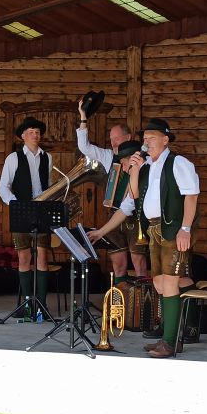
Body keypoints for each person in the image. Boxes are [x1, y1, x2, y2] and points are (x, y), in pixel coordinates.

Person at [89, 118, 199, 358]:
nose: (147, 141)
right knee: (158, 283)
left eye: (152, 137)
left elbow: (191, 196)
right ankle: (171, 336)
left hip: (173, 230)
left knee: (170, 283)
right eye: (145, 138)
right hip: (154, 230)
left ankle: (169, 341)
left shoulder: (178, 162)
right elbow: (133, 197)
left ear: (165, 139)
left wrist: (186, 229)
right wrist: (136, 170)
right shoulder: (147, 166)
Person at [76, 99, 147, 283]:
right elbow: (84, 147)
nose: (113, 142)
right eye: (111, 139)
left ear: (128, 137)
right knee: (118, 263)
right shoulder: (109, 156)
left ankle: (141, 298)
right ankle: (120, 298)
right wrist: (83, 117)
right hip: (115, 213)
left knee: (138, 261)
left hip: (136, 217)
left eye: (117, 138)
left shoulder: (144, 161)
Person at [0, 116, 53, 317]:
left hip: (42, 212)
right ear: (23, 136)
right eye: (31, 132)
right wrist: (16, 205)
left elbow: (48, 184)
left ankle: (42, 305)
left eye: (37, 132)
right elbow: (3, 187)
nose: (35, 135)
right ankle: (27, 303)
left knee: (43, 257)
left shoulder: (47, 158)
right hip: (21, 212)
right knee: (24, 257)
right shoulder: (13, 158)